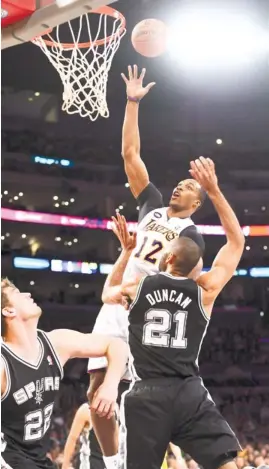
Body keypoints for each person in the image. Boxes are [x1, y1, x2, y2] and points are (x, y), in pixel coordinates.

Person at [87, 65, 205, 469]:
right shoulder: (152, 203)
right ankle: (112, 461)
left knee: (145, 400)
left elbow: (189, 283)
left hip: (147, 314)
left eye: (189, 188)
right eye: (180, 183)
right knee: (94, 393)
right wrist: (132, 103)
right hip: (117, 300)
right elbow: (129, 154)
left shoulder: (194, 236)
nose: (179, 186)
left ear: (197, 203)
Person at [102, 157, 245, 469]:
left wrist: (126, 254)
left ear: (167, 257)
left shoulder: (138, 287)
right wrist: (215, 191)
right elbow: (236, 243)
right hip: (187, 390)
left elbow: (107, 294)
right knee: (228, 463)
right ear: (195, 266)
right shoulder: (205, 290)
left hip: (145, 393)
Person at [1, 278, 128, 469]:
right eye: (18, 293)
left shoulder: (55, 343)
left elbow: (116, 345)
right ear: (8, 311)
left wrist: (110, 385)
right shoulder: (4, 362)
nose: (27, 294)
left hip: (39, 459)